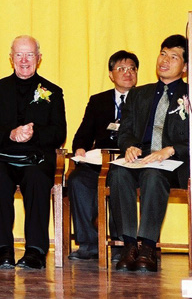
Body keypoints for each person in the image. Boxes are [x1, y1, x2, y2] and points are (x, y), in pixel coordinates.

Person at [0, 35, 66, 270]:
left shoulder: (53, 91)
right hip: (3, 156)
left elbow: (59, 133)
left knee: (37, 177)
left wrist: (32, 134)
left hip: (37, 158)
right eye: (19, 55)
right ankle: (4, 249)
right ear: (11, 58)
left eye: (29, 55)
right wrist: (11, 134)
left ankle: (35, 251)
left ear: (39, 58)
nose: (24, 60)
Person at [109, 34, 189, 273]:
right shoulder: (138, 94)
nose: (164, 60)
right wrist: (130, 146)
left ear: (185, 67)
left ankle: (147, 247)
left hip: (174, 163)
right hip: (142, 158)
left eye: (173, 57)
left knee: (153, 176)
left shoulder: (189, 95)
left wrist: (171, 149)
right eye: (163, 53)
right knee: (118, 173)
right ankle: (129, 245)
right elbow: (125, 131)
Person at [67, 50, 139, 261]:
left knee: (119, 179)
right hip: (99, 161)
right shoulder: (98, 101)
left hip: (131, 162)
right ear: (110, 74)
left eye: (132, 69)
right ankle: (89, 244)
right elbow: (83, 134)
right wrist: (80, 148)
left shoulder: (144, 99)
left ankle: (120, 245)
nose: (127, 73)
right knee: (77, 180)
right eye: (121, 69)